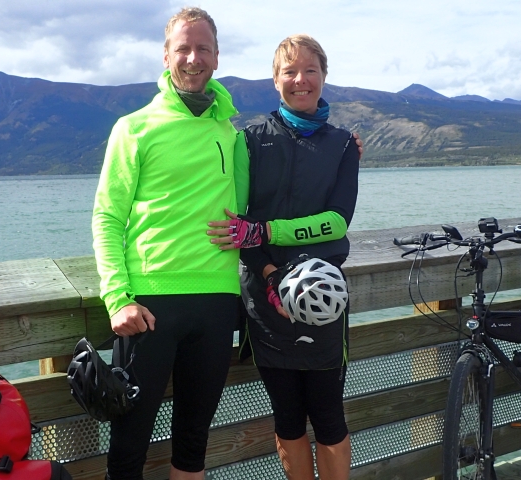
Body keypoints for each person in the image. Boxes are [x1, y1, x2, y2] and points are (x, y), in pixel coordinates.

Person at [90, 7, 241, 480]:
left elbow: (280, 178)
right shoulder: (132, 128)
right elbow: (107, 217)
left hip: (218, 303)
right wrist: (117, 298)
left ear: (217, 57)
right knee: (129, 444)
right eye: (184, 49)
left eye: (203, 49)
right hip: (149, 307)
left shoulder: (230, 133)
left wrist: (342, 150)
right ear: (166, 56)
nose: (193, 59)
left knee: (193, 445)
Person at [208, 34, 358, 480]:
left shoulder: (345, 144)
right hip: (265, 297)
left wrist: (268, 230)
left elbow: (337, 221)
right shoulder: (249, 140)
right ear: (275, 80)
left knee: (330, 418)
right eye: (290, 71)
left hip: (323, 297)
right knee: (288, 417)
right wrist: (271, 273)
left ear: (323, 77)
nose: (300, 80)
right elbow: (237, 221)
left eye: (310, 70)